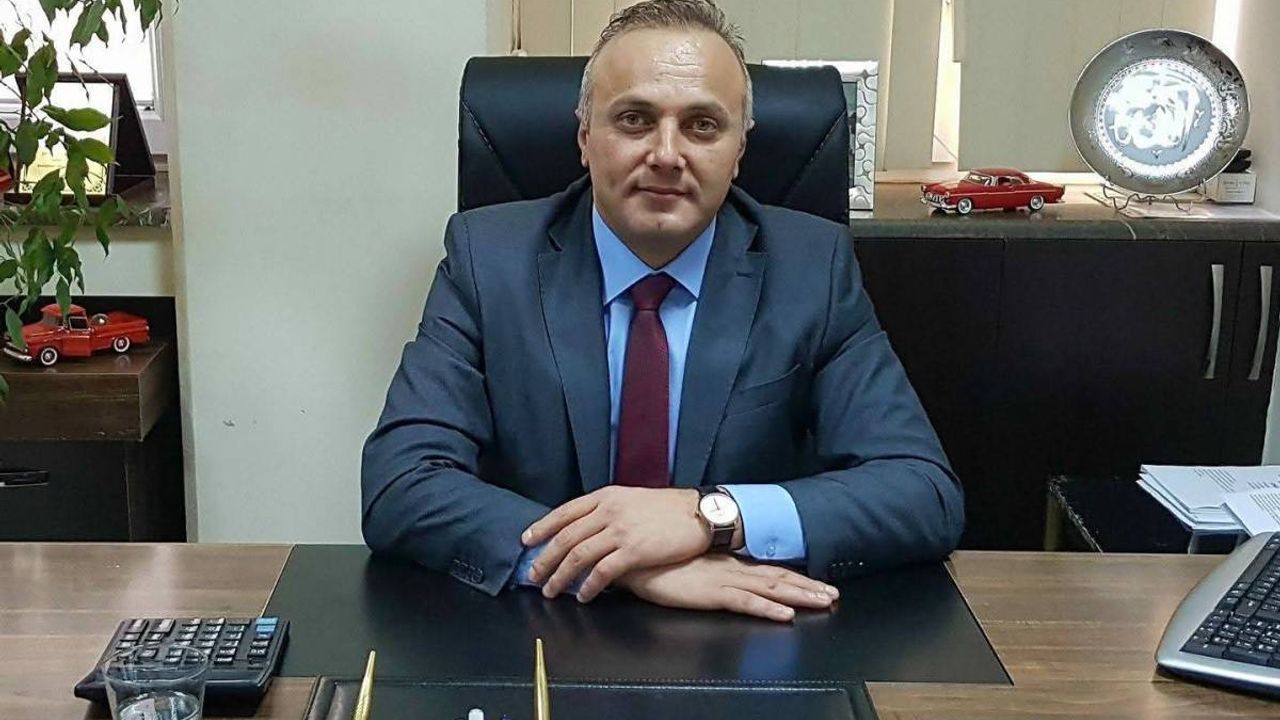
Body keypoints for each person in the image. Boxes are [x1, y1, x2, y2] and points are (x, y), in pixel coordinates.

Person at [362, 0, 964, 623]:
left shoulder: (811, 270)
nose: (667, 155)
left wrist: (708, 516)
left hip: (746, 638)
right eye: (634, 120)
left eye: (702, 125)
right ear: (585, 137)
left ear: (739, 150)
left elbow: (920, 491)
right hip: (537, 627)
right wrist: (626, 565)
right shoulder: (488, 261)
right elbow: (401, 483)